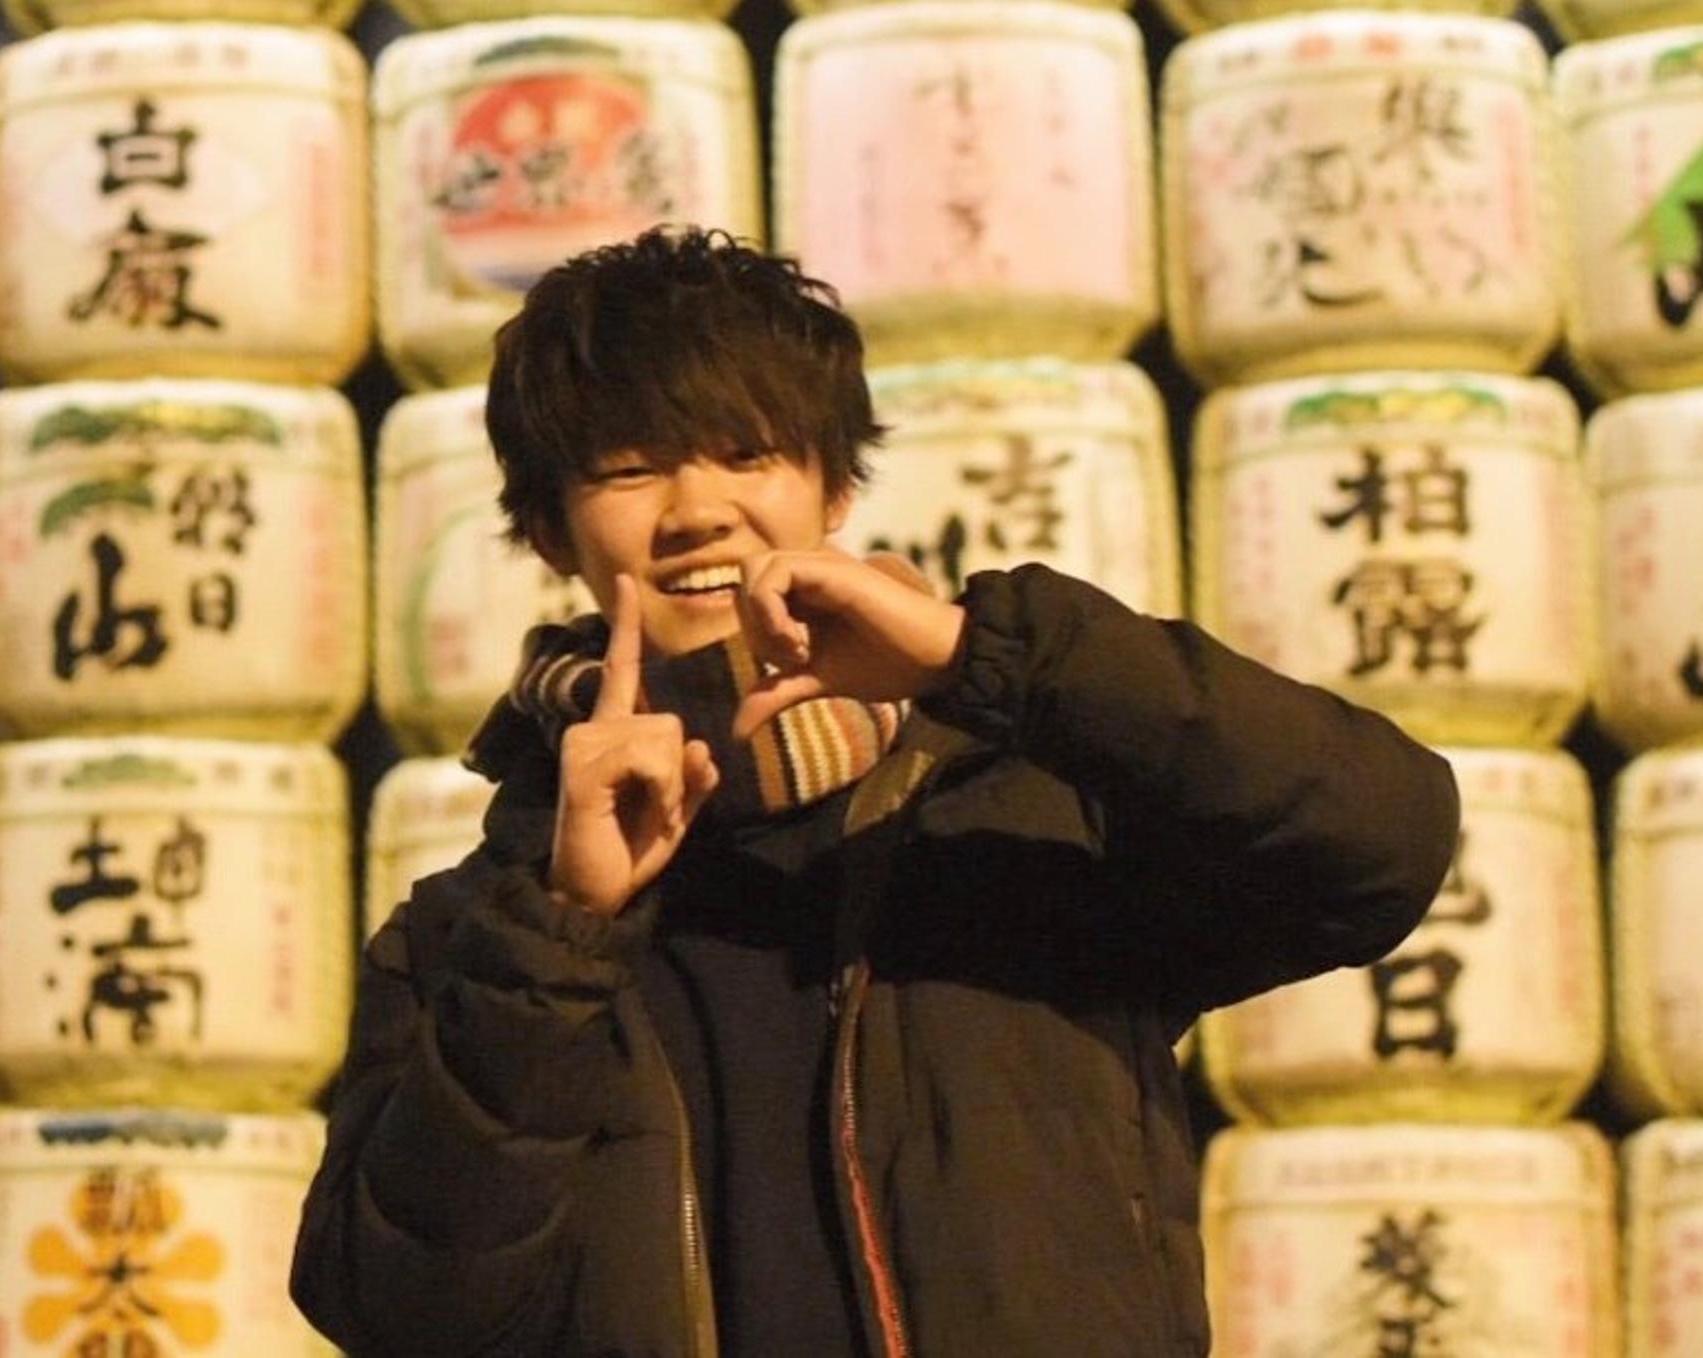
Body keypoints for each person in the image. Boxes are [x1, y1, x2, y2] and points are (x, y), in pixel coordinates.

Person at [291, 227, 1460, 1357]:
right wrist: (565, 929)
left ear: (836, 487)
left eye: (746, 453)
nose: (696, 510)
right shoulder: (476, 935)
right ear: (550, 529)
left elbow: (1382, 842)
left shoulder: (1032, 808)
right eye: (630, 469)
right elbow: (397, 1308)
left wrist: (976, 657)